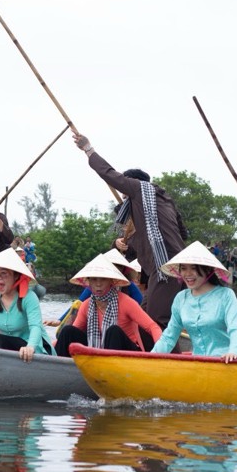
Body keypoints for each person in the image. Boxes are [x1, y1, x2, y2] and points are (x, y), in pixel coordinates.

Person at [72, 132, 188, 328]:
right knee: (142, 318)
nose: (123, 194)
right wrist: (119, 244)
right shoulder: (162, 203)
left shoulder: (141, 189)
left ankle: (166, 358)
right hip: (158, 273)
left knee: (156, 322)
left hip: (168, 269)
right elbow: (136, 247)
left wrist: (88, 149)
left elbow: (109, 174)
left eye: (124, 188)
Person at [151, 241, 237, 362]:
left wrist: (233, 351)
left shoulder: (226, 295)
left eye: (194, 268)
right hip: (197, 363)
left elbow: (235, 328)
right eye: (183, 268)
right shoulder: (181, 298)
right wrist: (151, 357)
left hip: (225, 362)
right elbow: (169, 336)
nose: (187, 274)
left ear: (207, 270)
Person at [54, 254, 162, 357]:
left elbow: (153, 327)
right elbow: (73, 332)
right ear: (89, 282)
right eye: (94, 279)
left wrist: (159, 352)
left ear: (111, 281)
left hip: (128, 353)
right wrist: (54, 345)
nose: (98, 284)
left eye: (103, 279)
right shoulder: (87, 305)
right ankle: (58, 369)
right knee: (67, 331)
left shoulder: (126, 302)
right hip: (98, 348)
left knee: (113, 330)